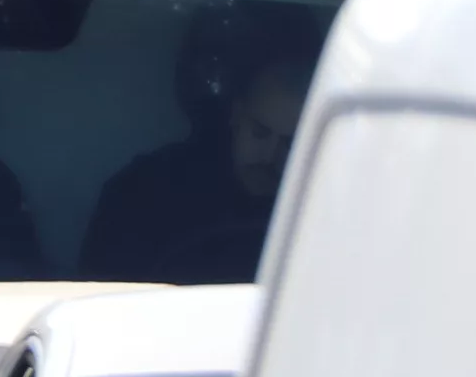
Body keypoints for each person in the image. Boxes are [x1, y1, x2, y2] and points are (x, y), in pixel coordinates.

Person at [81, 15, 318, 281]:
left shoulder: (328, 215)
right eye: (260, 132)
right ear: (237, 115)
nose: (270, 156)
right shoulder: (146, 194)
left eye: (290, 142)